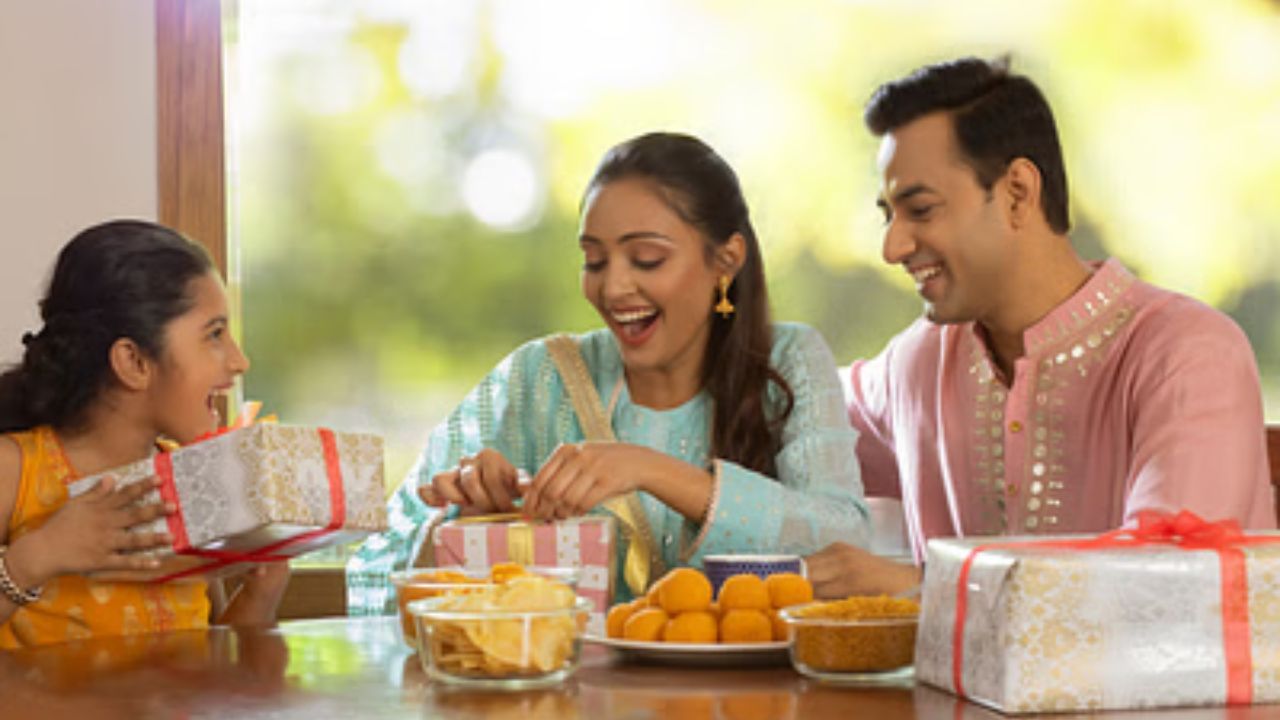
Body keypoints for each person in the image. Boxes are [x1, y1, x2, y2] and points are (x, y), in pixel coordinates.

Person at [805, 56, 1275, 600]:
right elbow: (779, 413)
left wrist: (917, 588)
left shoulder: (1189, 356)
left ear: (1018, 192)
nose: (893, 247)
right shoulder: (921, 361)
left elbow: (1166, 587)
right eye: (888, 214)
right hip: (941, 691)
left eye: (921, 210)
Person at [347, 132, 869, 613]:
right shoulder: (539, 377)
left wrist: (651, 470)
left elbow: (845, 544)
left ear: (726, 261)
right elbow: (378, 575)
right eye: (595, 262)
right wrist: (470, 525)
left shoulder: (788, 359)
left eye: (645, 260)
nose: (613, 288)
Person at [0, 220, 289, 648]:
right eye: (214, 334)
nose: (238, 359)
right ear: (133, 362)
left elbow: (213, 657)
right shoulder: (14, 468)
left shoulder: (192, 476)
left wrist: (262, 589)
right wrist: (39, 555)